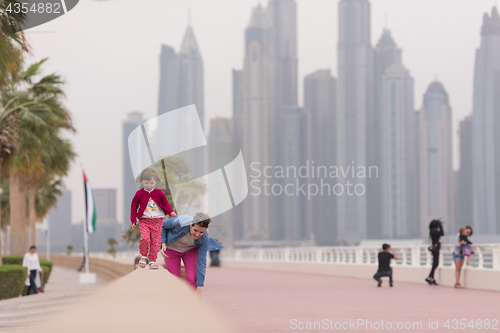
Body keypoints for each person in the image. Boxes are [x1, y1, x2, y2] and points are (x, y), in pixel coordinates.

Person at [160, 212, 223, 296]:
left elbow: (202, 262)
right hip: (171, 248)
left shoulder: (204, 238)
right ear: (191, 224)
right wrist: (163, 242)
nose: (197, 234)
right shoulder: (179, 222)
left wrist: (199, 289)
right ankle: (176, 303)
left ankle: (191, 303)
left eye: (201, 232)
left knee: (191, 279)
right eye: (195, 230)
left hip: (190, 250)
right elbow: (162, 225)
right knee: (175, 280)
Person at [130, 167, 176, 269]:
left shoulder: (159, 193)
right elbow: (133, 206)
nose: (149, 185)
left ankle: (152, 261)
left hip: (157, 221)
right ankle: (143, 256)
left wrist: (171, 211)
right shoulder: (139, 194)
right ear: (142, 181)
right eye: (146, 183)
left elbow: (165, 203)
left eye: (151, 183)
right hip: (144, 221)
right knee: (145, 238)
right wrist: (133, 220)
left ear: (156, 182)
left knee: (155, 242)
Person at [426, 219, 444, 285]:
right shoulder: (434, 232)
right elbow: (442, 233)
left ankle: (431, 278)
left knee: (435, 264)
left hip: (435, 248)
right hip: (436, 249)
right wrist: (441, 226)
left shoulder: (431, 232)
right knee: (435, 264)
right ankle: (429, 277)